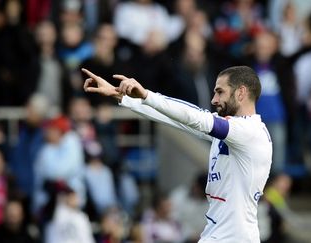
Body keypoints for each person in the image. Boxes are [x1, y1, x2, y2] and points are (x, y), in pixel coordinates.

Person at [82, 65, 273, 242]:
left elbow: (198, 118)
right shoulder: (231, 129)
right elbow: (178, 120)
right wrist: (122, 97)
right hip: (217, 234)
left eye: (220, 92)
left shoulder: (251, 131)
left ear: (241, 92)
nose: (214, 100)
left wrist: (147, 95)